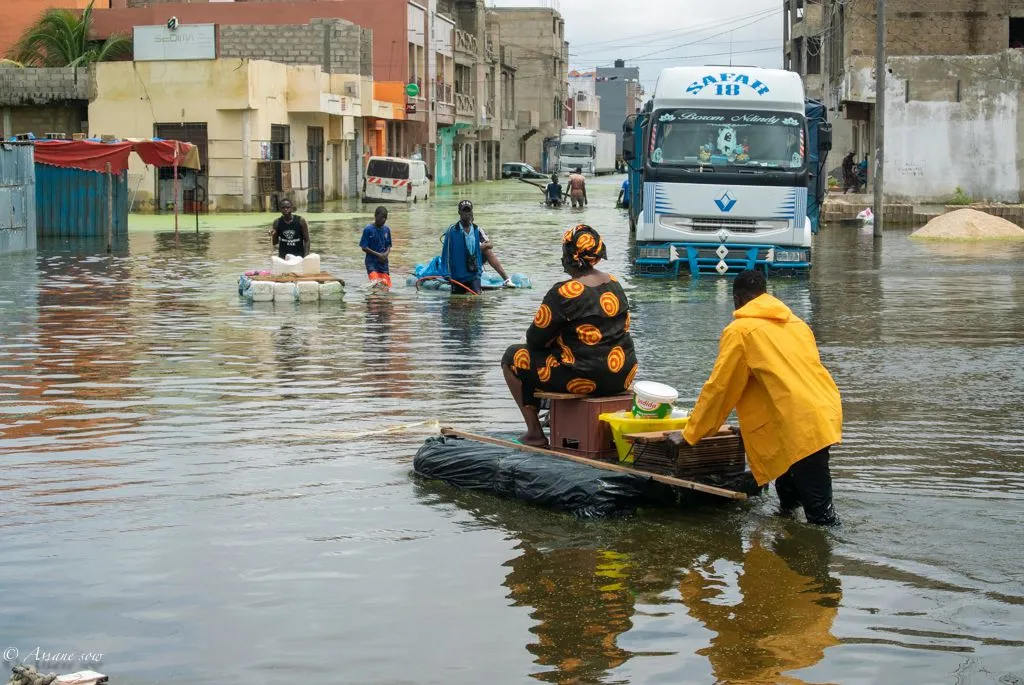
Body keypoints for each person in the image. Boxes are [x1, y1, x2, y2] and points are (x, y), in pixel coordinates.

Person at [681, 270, 842, 526]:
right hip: (823, 411)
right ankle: (786, 543)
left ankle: (825, 556)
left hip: (800, 424)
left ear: (737, 299)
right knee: (788, 495)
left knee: (822, 519)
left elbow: (720, 389)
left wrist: (692, 433)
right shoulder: (797, 324)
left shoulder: (741, 331)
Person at [501, 224, 638, 447]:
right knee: (564, 353)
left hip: (585, 378)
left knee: (512, 357)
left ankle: (535, 433)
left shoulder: (564, 292)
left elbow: (534, 340)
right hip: (622, 374)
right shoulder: (615, 283)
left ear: (570, 256)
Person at [440, 199, 514, 294]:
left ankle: (506, 279)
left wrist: (480, 248)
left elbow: (490, 244)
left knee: (476, 302)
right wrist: (446, 273)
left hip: (473, 274)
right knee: (456, 304)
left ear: (472, 212)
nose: (466, 214)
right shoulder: (452, 230)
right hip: (458, 274)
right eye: (464, 211)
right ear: (459, 212)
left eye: (468, 211)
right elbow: (446, 253)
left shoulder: (476, 229)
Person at [359, 206, 392, 288]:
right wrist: (378, 255)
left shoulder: (386, 229)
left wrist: (386, 254)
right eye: (381, 218)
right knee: (375, 284)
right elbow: (364, 247)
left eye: (385, 218)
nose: (383, 220)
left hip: (383, 263)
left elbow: (388, 245)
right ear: (375, 216)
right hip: (371, 263)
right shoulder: (368, 229)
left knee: (386, 286)